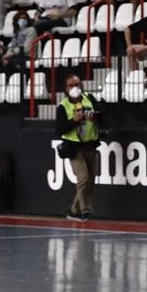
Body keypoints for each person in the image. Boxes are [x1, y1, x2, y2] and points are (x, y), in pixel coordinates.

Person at [55, 74, 98, 221]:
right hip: (74, 148)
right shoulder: (63, 106)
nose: (75, 88)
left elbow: (102, 116)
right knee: (83, 179)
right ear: (66, 89)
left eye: (77, 84)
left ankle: (73, 210)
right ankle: (85, 211)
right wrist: (74, 120)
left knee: (90, 181)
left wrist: (95, 117)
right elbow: (59, 129)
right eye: (71, 85)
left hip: (90, 144)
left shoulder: (90, 99)